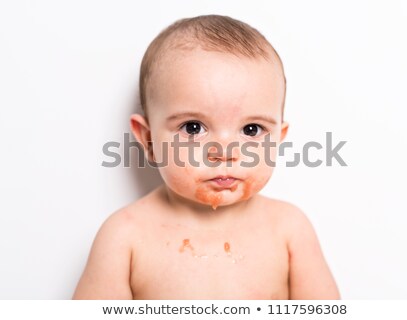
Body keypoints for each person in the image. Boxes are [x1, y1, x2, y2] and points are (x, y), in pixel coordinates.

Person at [73, 14, 340, 300]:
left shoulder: (289, 230)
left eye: (252, 129)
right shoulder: (125, 238)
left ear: (278, 139)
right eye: (193, 128)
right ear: (148, 139)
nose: (224, 152)